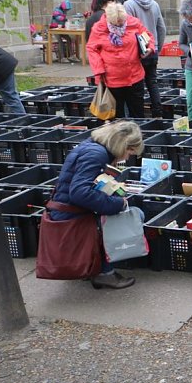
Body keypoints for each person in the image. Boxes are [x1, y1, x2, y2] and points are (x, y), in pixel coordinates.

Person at [49, 121, 144, 290]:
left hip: (66, 210)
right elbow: (79, 193)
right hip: (70, 215)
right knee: (135, 215)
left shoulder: (93, 146)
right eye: (129, 151)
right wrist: (118, 204)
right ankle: (104, 273)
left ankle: (95, 268)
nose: (128, 157)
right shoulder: (97, 154)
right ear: (122, 144)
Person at [87, 2, 154, 118]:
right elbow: (91, 49)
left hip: (134, 77)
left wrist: (149, 48)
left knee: (138, 114)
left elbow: (148, 36)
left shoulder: (134, 23)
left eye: (122, 22)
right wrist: (99, 69)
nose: (119, 25)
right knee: (117, 117)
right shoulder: (99, 28)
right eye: (116, 23)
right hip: (112, 80)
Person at [123, 0, 166, 119]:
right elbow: (161, 28)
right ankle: (158, 114)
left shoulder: (128, 5)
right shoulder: (154, 4)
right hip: (152, 50)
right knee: (152, 82)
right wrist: (157, 47)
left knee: (138, 86)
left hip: (137, 53)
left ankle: (140, 116)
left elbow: (128, 31)